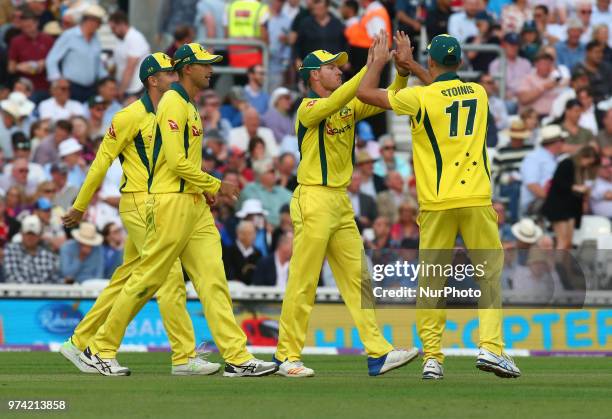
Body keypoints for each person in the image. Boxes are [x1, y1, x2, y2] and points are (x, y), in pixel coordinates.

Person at [77, 44, 277, 378]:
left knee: (213, 281)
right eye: (205, 65)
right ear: (188, 69)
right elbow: (175, 160)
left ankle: (237, 356)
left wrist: (202, 189)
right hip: (169, 202)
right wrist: (215, 184)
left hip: (193, 205)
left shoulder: (188, 105)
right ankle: (99, 348)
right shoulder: (172, 102)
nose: (211, 69)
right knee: (149, 278)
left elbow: (185, 162)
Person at [357, 32, 521, 379]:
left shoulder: (420, 98)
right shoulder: (479, 92)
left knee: (432, 282)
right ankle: (491, 348)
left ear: (431, 61)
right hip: (476, 198)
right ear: (460, 62)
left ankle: (433, 357)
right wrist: (411, 66)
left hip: (435, 202)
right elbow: (445, 87)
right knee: (488, 277)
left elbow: (365, 95)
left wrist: (393, 64)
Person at [58, 52, 226, 376]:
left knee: (127, 277)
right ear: (152, 80)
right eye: (168, 73)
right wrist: (80, 205)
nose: (176, 77)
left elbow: (181, 161)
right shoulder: (129, 116)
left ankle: (78, 342)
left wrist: (200, 187)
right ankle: (183, 356)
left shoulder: (176, 109)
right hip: (138, 203)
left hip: (162, 204)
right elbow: (100, 162)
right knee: (168, 275)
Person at [273, 43, 417, 378]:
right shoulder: (307, 107)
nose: (340, 70)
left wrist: (402, 70)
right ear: (314, 75)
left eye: (340, 67)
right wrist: (370, 67)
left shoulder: (348, 103)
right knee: (303, 281)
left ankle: (378, 352)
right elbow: (335, 102)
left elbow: (391, 97)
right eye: (332, 67)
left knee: (358, 280)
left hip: (338, 201)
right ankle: (286, 356)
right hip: (312, 198)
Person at [45, 4, 108, 101]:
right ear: (90, 21)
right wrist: (58, 80)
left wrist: (106, 80)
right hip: (71, 87)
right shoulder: (69, 35)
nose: (99, 27)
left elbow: (97, 63)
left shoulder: (96, 39)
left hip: (91, 88)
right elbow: (52, 59)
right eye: (98, 23)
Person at [542, 146, 600, 249]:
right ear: (583, 156)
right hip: (559, 208)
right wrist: (576, 187)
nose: (588, 165)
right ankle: (558, 265)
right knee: (562, 242)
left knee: (568, 243)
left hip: (571, 209)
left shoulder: (581, 170)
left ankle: (566, 265)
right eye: (588, 161)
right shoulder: (567, 164)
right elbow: (558, 182)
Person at [7, 7, 54, 103]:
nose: (27, 30)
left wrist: (45, 63)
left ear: (37, 23)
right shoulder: (16, 41)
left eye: (30, 26)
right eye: (24, 27)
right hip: (25, 88)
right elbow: (10, 68)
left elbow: (56, 61)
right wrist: (19, 67)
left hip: (45, 86)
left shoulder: (48, 39)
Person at [519, 125, 566, 216]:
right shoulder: (533, 157)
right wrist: (555, 200)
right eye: (562, 140)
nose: (564, 144)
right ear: (557, 142)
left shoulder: (554, 158)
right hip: (535, 203)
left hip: (549, 199)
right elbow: (532, 185)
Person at [492, 120, 533, 222]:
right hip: (508, 185)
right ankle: (515, 220)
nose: (518, 140)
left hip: (528, 183)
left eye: (520, 138)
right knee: (515, 187)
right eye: (516, 137)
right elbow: (493, 173)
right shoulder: (501, 151)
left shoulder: (531, 149)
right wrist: (506, 179)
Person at [4, 215, 59, 284]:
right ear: (21, 233)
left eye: (33, 234)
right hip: (19, 293)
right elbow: (13, 276)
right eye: (27, 233)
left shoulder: (48, 254)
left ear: (39, 235)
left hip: (44, 293)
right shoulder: (11, 250)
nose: (30, 237)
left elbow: (54, 279)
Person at [108, 10, 150, 99]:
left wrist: (121, 91)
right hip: (127, 88)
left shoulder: (135, 38)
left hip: (136, 89)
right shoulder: (121, 39)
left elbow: (130, 68)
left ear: (122, 24)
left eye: (113, 28)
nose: (112, 32)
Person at [239, 158, 292, 227]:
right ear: (259, 175)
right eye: (271, 171)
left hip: (283, 230)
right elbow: (252, 213)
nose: (274, 174)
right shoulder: (250, 189)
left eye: (274, 171)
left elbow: (296, 205)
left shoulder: (282, 191)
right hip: (260, 229)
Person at [225, 0, 269, 69]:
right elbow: (265, 36)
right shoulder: (262, 8)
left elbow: (226, 33)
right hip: (255, 59)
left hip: (235, 58)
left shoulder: (230, 7)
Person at [223, 219, 262, 285]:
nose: (254, 237)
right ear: (240, 234)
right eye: (250, 233)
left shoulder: (258, 254)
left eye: (254, 233)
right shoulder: (229, 252)